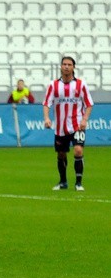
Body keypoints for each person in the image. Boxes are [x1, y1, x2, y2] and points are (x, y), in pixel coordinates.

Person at [43, 56, 93, 192]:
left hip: (77, 125)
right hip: (60, 127)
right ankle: (63, 182)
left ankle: (78, 183)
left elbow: (89, 104)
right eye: (64, 64)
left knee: (78, 150)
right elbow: (47, 103)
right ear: (60, 66)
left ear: (73, 67)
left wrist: (84, 119)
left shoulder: (81, 84)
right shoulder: (53, 85)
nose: (66, 67)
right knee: (61, 154)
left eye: (69, 64)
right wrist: (47, 118)